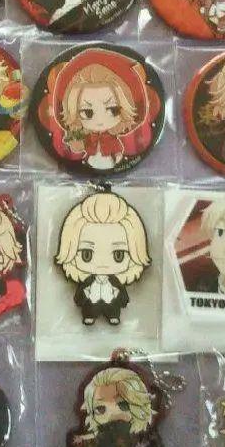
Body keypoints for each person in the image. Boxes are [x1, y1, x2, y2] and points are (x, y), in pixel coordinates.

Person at [55, 191, 150, 325]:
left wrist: (120, 297)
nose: (102, 264)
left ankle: (113, 316)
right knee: (90, 310)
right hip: (91, 304)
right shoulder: (87, 282)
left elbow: (124, 297)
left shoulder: (115, 282)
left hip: (111, 304)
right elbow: (78, 298)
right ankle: (90, 316)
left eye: (118, 255)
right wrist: (84, 296)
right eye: (86, 254)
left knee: (112, 310)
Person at [56, 62, 141, 171]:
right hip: (90, 162)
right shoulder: (88, 137)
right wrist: (75, 140)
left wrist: (118, 159)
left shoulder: (111, 138)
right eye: (87, 112)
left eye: (113, 110)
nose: (100, 120)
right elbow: (78, 147)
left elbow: (118, 150)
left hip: (109, 162)